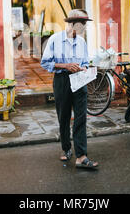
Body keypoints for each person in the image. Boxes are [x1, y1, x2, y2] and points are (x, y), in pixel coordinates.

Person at [40, 9, 99, 169]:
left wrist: (85, 69)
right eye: (83, 24)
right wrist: (66, 66)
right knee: (64, 117)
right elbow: (45, 63)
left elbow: (86, 62)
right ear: (72, 24)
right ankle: (66, 149)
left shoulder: (82, 42)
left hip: (79, 81)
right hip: (62, 80)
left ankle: (81, 155)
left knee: (81, 118)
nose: (85, 27)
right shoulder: (55, 39)